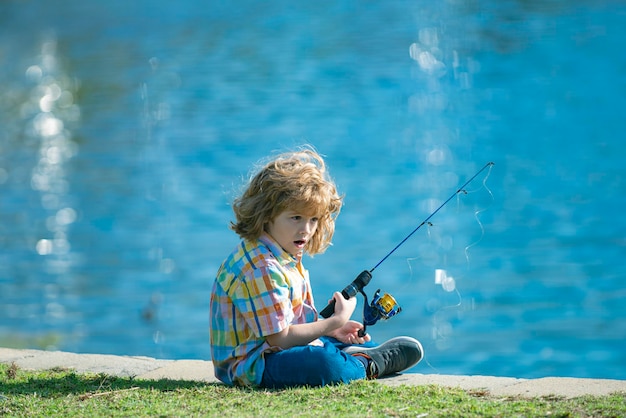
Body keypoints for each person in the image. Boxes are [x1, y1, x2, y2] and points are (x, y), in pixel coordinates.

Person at [209, 147, 423, 388]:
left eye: (313, 219)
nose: (306, 229)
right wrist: (335, 320)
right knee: (323, 363)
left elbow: (290, 322)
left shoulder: (281, 250)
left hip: (277, 348)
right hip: (253, 365)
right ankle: (364, 364)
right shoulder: (262, 267)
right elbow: (280, 337)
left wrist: (331, 332)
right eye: (296, 218)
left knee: (354, 345)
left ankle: (356, 354)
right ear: (267, 215)